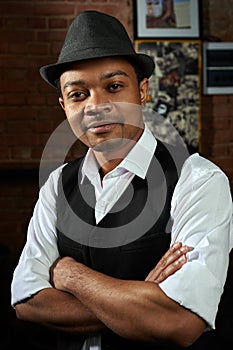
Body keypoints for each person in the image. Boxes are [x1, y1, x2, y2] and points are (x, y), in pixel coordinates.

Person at [11, 10, 233, 350]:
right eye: (78, 94)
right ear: (64, 106)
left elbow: (178, 321)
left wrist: (69, 274)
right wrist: (139, 298)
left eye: (114, 87)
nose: (96, 106)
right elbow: (26, 301)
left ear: (142, 91)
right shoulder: (57, 185)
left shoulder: (197, 180)